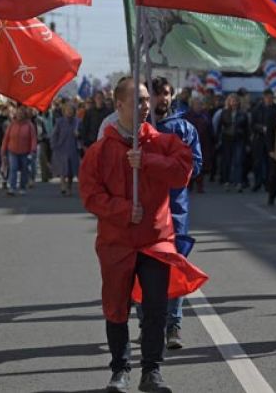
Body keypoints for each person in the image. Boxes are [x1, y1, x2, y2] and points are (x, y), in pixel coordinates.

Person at [79, 77, 208, 393]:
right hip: (116, 243)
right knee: (116, 306)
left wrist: (147, 161)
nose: (145, 105)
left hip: (155, 240)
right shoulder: (100, 150)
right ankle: (119, 369)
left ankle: (151, 370)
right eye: (138, 100)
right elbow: (90, 195)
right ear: (119, 105)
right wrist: (123, 210)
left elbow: (184, 172)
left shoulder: (162, 141)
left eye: (147, 100)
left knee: (155, 307)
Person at [143, 77, 202, 350]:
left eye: (165, 94)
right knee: (143, 268)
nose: (161, 99)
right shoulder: (137, 127)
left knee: (173, 267)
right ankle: (147, 324)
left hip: (175, 209)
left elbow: (195, 166)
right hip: (145, 210)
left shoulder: (184, 128)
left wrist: (165, 165)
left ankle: (173, 324)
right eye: (156, 94)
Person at [2, 104, 37, 196]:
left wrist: (33, 150)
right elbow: (6, 138)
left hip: (25, 152)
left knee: (24, 170)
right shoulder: (12, 124)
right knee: (13, 168)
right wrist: (3, 150)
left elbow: (33, 139)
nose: (20, 115)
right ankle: (12, 188)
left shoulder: (29, 125)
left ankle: (22, 187)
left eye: (21, 113)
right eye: (18, 113)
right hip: (12, 150)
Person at [218, 93, 249, 192]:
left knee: (238, 161)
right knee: (227, 161)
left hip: (239, 139)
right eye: (232, 101)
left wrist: (248, 143)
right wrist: (218, 140)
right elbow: (220, 127)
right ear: (229, 102)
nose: (234, 103)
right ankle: (226, 181)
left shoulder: (243, 113)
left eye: (236, 100)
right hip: (227, 139)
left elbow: (247, 129)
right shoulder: (224, 112)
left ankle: (238, 182)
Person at [184, 97, 215, 194]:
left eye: (200, 104)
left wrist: (213, 141)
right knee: (190, 164)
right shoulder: (187, 116)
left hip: (203, 144)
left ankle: (200, 186)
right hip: (190, 144)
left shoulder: (205, 115)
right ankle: (189, 185)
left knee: (200, 165)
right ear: (192, 105)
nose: (199, 106)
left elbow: (210, 129)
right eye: (197, 104)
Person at [250, 90, 276, 192]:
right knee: (258, 162)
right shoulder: (257, 109)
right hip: (259, 139)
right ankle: (257, 182)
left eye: (271, 97)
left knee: (270, 163)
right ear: (264, 97)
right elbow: (252, 124)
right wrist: (262, 128)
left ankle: (268, 183)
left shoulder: (275, 109)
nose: (270, 99)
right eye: (268, 97)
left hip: (271, 140)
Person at [51, 103, 81, 195]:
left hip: (72, 147)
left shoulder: (77, 121)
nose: (69, 112)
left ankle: (69, 187)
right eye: (68, 110)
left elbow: (82, 133)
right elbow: (55, 134)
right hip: (61, 147)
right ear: (64, 112)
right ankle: (63, 185)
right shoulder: (59, 121)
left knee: (71, 169)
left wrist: (78, 135)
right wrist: (53, 144)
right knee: (63, 168)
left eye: (71, 110)